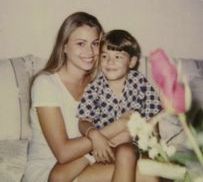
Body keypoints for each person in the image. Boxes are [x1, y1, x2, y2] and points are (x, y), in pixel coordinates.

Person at [23, 13, 160, 182]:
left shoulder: (99, 83)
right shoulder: (46, 84)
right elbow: (63, 153)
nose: (89, 51)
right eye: (80, 43)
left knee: (149, 172)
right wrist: (121, 125)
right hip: (50, 168)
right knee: (145, 175)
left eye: (95, 44)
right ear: (64, 46)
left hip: (90, 159)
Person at [77, 29, 162, 182]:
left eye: (118, 56)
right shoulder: (94, 87)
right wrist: (95, 136)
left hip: (133, 145)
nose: (110, 62)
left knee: (126, 152)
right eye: (105, 56)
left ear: (132, 61)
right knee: (61, 173)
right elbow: (83, 120)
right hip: (103, 145)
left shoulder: (139, 82)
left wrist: (149, 144)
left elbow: (152, 119)